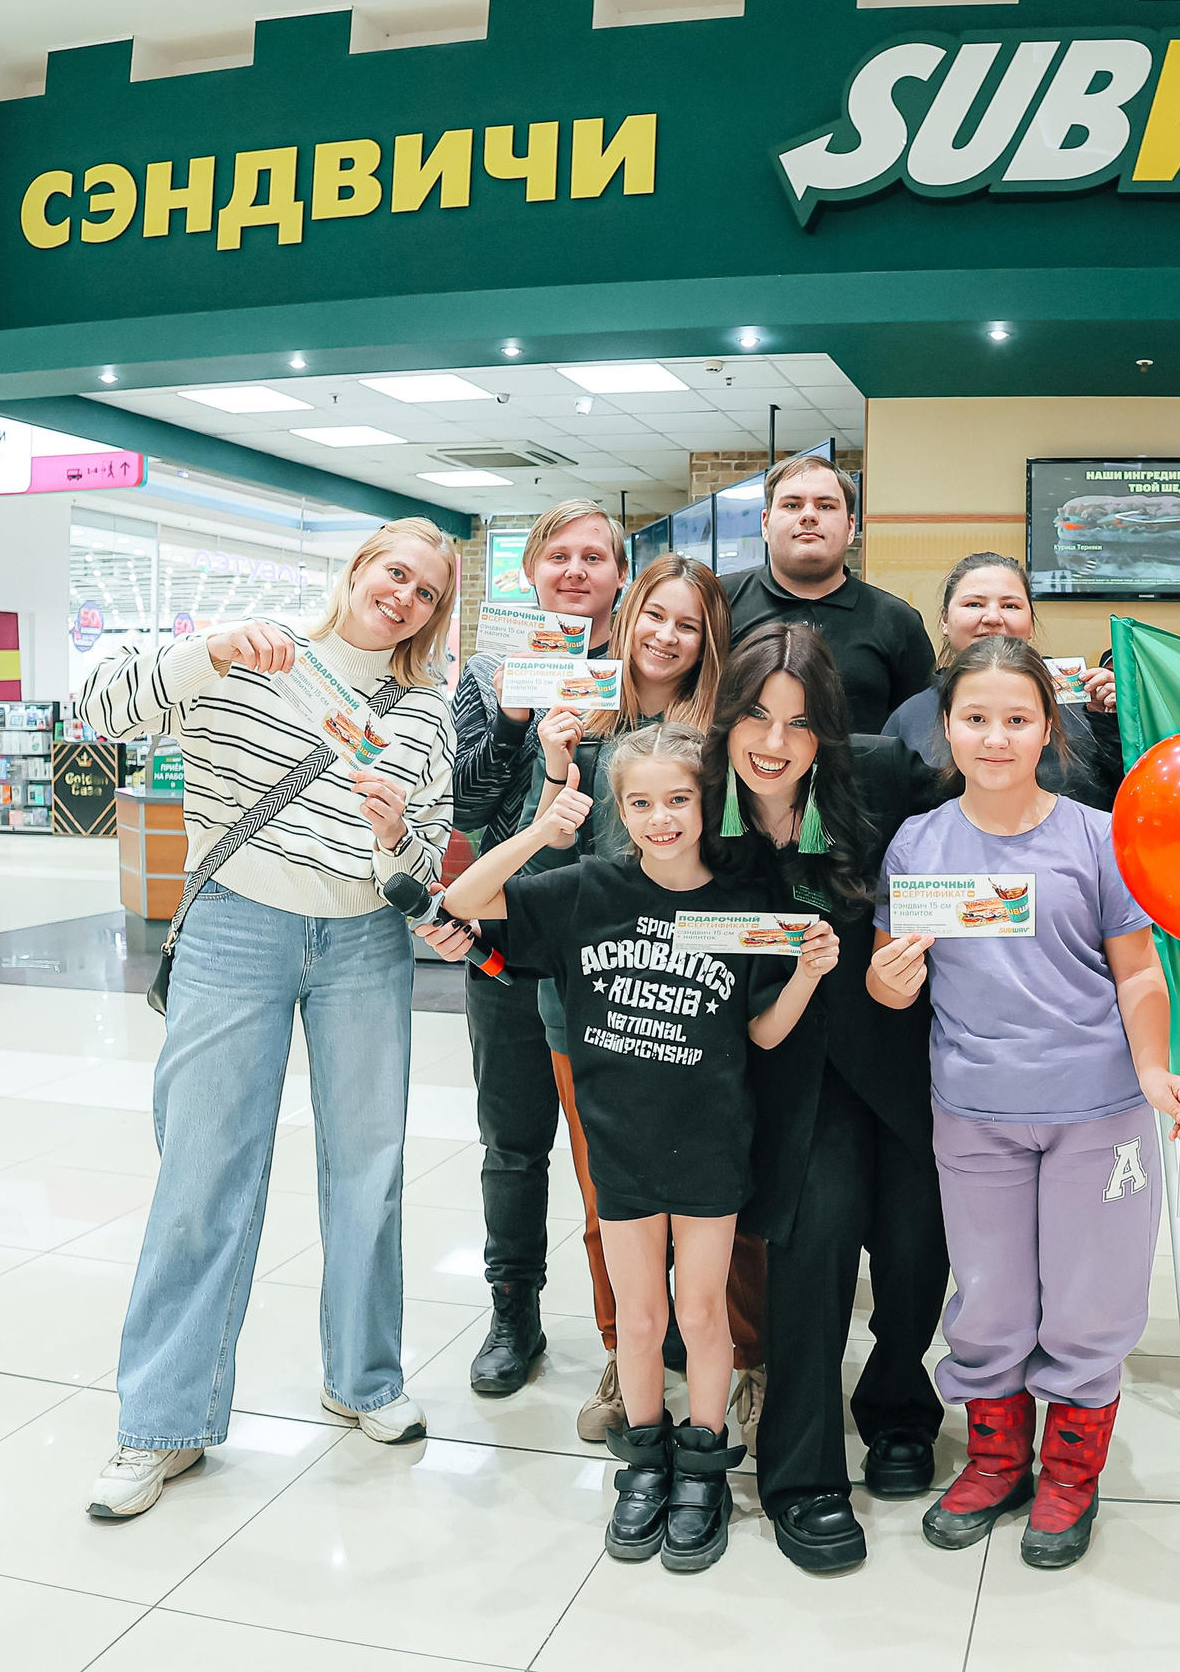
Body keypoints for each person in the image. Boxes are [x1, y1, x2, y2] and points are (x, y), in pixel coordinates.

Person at [75, 518, 465, 1521]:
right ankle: (160, 1423)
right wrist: (200, 650)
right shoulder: (248, 650)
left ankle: (364, 1378)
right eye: (395, 574)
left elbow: (424, 856)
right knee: (205, 1172)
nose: (405, 600)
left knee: (368, 1171)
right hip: (234, 928)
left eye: (427, 593)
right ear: (356, 568)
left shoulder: (426, 710)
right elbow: (96, 702)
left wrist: (392, 837)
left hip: (363, 946)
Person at [443, 725, 836, 1572]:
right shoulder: (585, 889)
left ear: (707, 803)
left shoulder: (741, 907)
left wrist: (805, 973)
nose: (661, 818)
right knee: (642, 1315)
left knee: (700, 1313)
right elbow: (467, 902)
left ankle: (703, 1460)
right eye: (641, 803)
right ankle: (647, 1458)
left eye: (679, 800)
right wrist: (543, 830)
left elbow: (765, 1036)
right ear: (619, 811)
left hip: (709, 1144)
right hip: (618, 1141)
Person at [868, 636, 1180, 1571]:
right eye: (976, 718)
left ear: (1047, 726)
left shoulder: (1097, 837)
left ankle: (1071, 1470)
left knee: (1091, 1301)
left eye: (1017, 719)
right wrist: (891, 978)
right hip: (973, 1110)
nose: (997, 737)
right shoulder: (919, 843)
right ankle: (997, 1457)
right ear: (947, 729)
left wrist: (1150, 1070)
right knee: (990, 1297)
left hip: (1097, 1110)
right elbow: (894, 986)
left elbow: (1139, 972)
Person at [707, 623, 950, 1573]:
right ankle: (801, 1474)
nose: (775, 742)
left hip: (903, 1052)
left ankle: (897, 1404)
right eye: (758, 716)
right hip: (785, 1071)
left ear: (830, 734)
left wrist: (925, 953)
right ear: (726, 716)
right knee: (811, 1256)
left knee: (916, 1245)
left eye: (801, 725)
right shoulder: (704, 801)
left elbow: (962, 863)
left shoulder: (885, 775)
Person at [495, 555, 745, 1436]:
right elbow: (542, 864)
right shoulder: (581, 717)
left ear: (710, 639)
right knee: (611, 1201)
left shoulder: (723, 737)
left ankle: (734, 1361)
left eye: (689, 623)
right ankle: (623, 1350)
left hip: (708, 1006)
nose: (667, 636)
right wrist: (555, 763)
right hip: (594, 1007)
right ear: (628, 617)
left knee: (723, 1207)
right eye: (655, 617)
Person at [450, 500, 628, 1403]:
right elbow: (465, 805)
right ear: (529, 571)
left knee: (616, 1149)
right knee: (513, 1142)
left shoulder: (638, 667)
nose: (575, 569)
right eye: (558, 554)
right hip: (509, 938)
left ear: (618, 574)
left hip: (608, 947)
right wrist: (517, 720)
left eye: (594, 555)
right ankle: (512, 1305)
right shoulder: (488, 670)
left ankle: (633, 1321)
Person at [881, 551, 1124, 809]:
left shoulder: (1088, 707)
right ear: (944, 621)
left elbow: (1134, 799)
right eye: (974, 604)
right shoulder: (909, 717)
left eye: (1011, 606)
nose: (994, 618)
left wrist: (1118, 720)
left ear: (1030, 624)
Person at [723, 453, 935, 734]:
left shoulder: (897, 621)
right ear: (765, 523)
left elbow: (922, 732)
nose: (808, 515)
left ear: (850, 527)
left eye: (825, 505)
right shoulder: (719, 602)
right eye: (792, 505)